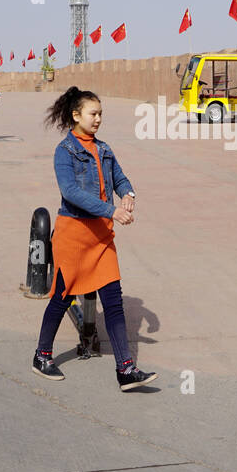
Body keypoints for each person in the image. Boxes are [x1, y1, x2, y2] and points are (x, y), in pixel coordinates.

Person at [33, 86, 157, 392]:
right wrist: (111, 211)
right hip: (74, 235)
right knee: (62, 298)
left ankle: (125, 369)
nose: (98, 119)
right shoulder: (65, 151)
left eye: (101, 113)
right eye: (93, 113)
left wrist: (127, 194)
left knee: (114, 302)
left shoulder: (104, 149)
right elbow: (70, 193)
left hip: (101, 238)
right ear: (76, 116)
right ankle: (42, 355)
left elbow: (120, 178)